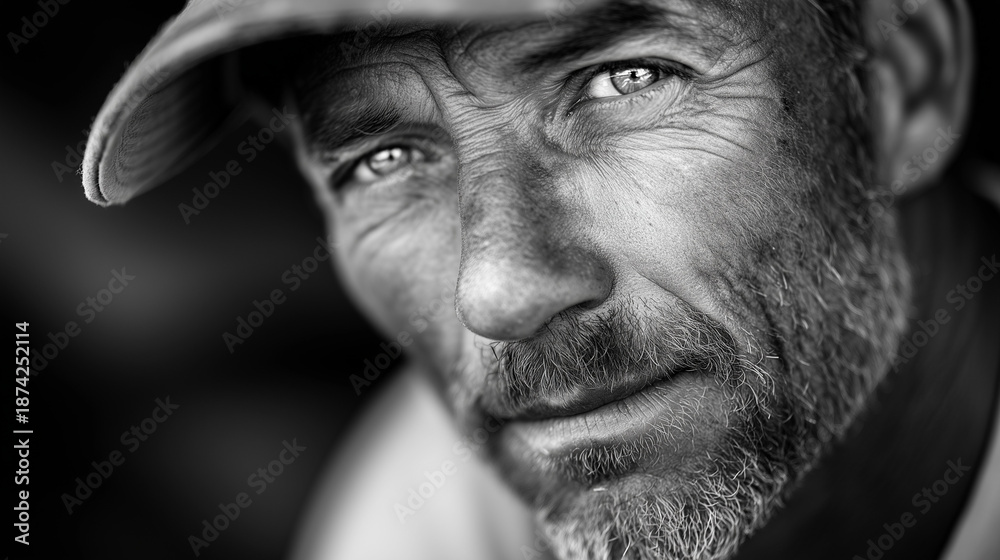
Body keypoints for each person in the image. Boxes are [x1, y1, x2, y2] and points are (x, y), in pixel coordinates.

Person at [81, 0, 1000, 558]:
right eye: (384, 159)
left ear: (899, 87)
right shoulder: (423, 520)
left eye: (625, 78)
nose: (501, 293)